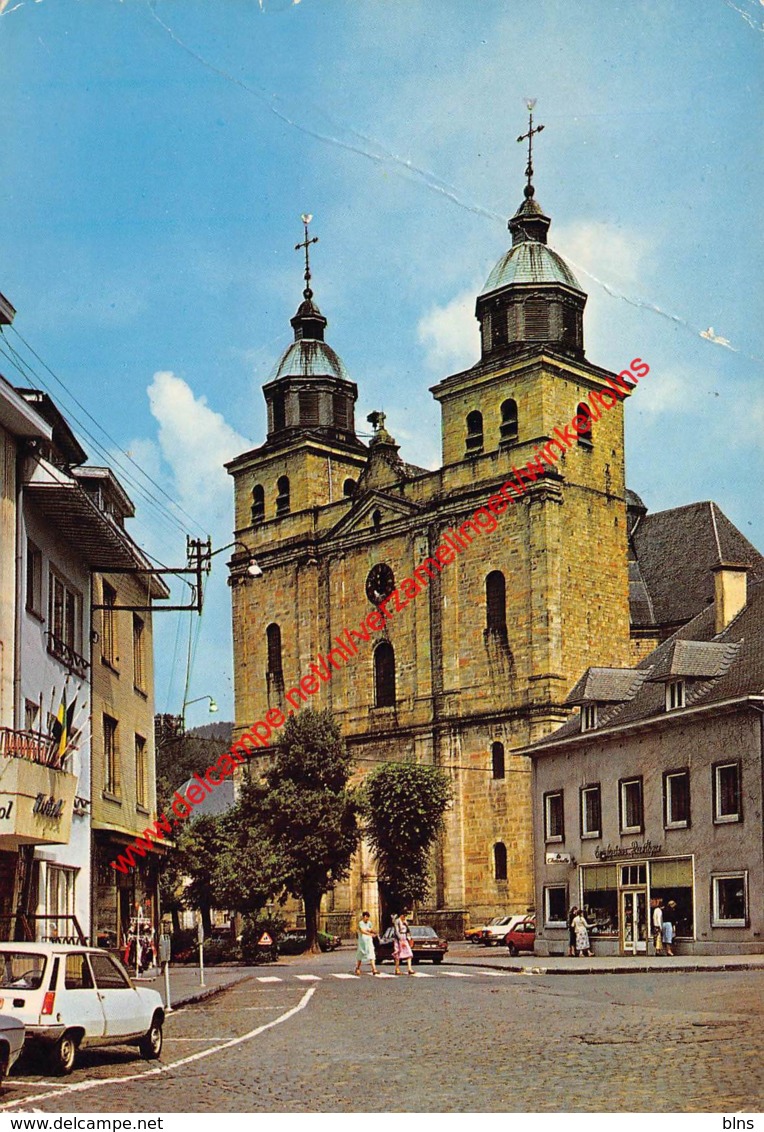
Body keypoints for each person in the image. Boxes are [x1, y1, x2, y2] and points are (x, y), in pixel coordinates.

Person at [354, 911, 378, 976]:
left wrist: (374, 932)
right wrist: (370, 934)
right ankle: (357, 968)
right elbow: (362, 931)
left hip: (369, 941)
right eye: (366, 917)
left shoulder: (369, 923)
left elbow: (370, 929)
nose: (367, 919)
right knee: (360, 956)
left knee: (371, 954)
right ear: (364, 917)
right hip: (362, 943)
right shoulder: (360, 923)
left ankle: (374, 969)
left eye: (368, 917)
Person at [393, 910, 414, 975]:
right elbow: (396, 931)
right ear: (401, 915)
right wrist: (400, 940)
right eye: (404, 915)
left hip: (404, 938)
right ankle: (397, 969)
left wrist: (409, 938)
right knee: (398, 954)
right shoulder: (397, 921)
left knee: (409, 953)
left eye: (405, 916)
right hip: (399, 939)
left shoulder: (405, 921)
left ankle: (409, 969)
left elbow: (407, 931)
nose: (405, 917)